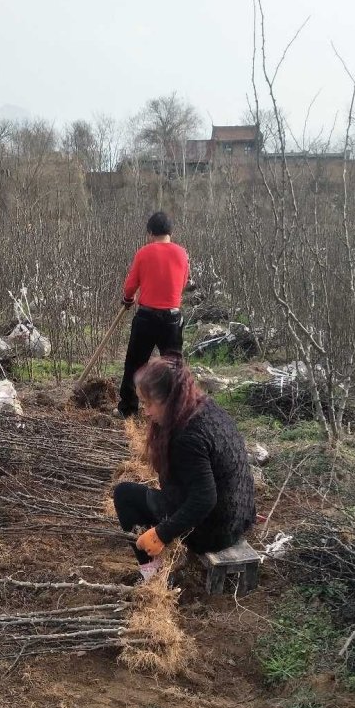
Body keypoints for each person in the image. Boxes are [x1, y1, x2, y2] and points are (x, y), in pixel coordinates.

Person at [113, 356, 256, 567]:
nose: (146, 411)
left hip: (214, 531)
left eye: (149, 403)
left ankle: (153, 578)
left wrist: (161, 534)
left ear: (169, 399)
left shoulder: (187, 437)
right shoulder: (206, 407)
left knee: (124, 495)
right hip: (238, 518)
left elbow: (205, 498)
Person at [116, 211, 190, 418]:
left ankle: (128, 409)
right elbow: (182, 283)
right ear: (171, 232)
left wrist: (128, 298)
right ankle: (175, 410)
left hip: (146, 318)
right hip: (172, 320)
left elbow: (130, 286)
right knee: (173, 367)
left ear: (150, 232)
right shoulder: (182, 254)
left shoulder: (144, 252)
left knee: (135, 363)